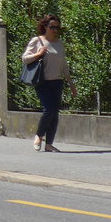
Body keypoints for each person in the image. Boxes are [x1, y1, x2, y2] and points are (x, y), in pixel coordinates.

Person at [21, 15, 77, 152]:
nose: (55, 30)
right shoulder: (37, 41)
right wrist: (38, 54)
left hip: (57, 82)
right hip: (42, 81)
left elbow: (64, 65)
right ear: (45, 27)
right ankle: (39, 136)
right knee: (49, 110)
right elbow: (25, 59)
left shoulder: (59, 43)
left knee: (55, 113)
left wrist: (71, 84)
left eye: (57, 27)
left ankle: (49, 144)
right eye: (52, 27)